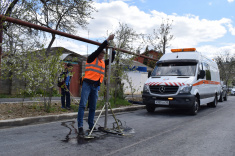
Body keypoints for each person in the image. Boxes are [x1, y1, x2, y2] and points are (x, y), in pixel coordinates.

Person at [77, 34, 116, 135]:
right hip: (87, 84)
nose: (102, 58)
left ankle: (91, 125)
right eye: (100, 56)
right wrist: (107, 40)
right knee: (82, 105)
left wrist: (113, 51)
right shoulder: (91, 58)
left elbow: (111, 60)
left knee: (93, 107)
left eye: (103, 56)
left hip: (95, 87)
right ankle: (80, 126)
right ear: (97, 54)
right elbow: (99, 49)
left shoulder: (103, 62)